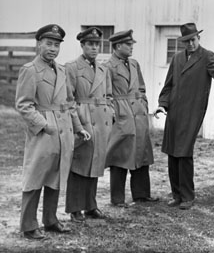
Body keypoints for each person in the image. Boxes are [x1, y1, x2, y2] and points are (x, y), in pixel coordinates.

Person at [15, 24, 90, 239]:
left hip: (64, 129)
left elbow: (69, 102)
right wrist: (43, 124)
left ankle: (51, 220)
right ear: (39, 44)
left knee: (57, 175)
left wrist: (79, 127)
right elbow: (23, 105)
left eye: (57, 45)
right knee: (35, 176)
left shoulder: (61, 70)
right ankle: (28, 226)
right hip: (43, 131)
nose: (53, 49)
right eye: (49, 44)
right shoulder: (30, 70)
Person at [153, 23, 214, 210]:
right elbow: (168, 85)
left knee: (184, 153)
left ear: (199, 38)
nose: (190, 44)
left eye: (193, 40)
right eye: (187, 41)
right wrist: (162, 104)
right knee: (172, 153)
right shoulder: (176, 58)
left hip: (192, 112)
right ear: (182, 42)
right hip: (174, 112)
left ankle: (188, 196)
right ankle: (176, 195)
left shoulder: (207, 57)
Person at [64, 27, 114, 223]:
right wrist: (77, 124)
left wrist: (110, 113)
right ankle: (75, 208)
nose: (94, 48)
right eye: (90, 44)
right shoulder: (71, 68)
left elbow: (109, 96)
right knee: (79, 165)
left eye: (97, 44)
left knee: (95, 163)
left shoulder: (103, 69)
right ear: (82, 45)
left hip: (101, 121)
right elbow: (69, 99)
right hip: (82, 119)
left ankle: (91, 206)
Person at [104, 29, 158, 207]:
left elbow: (141, 88)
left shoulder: (134, 64)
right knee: (119, 156)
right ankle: (117, 198)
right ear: (118, 46)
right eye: (128, 44)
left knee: (142, 153)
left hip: (138, 114)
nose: (131, 47)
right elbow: (106, 94)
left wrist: (143, 104)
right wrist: (114, 112)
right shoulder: (108, 67)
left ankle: (141, 194)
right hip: (121, 114)